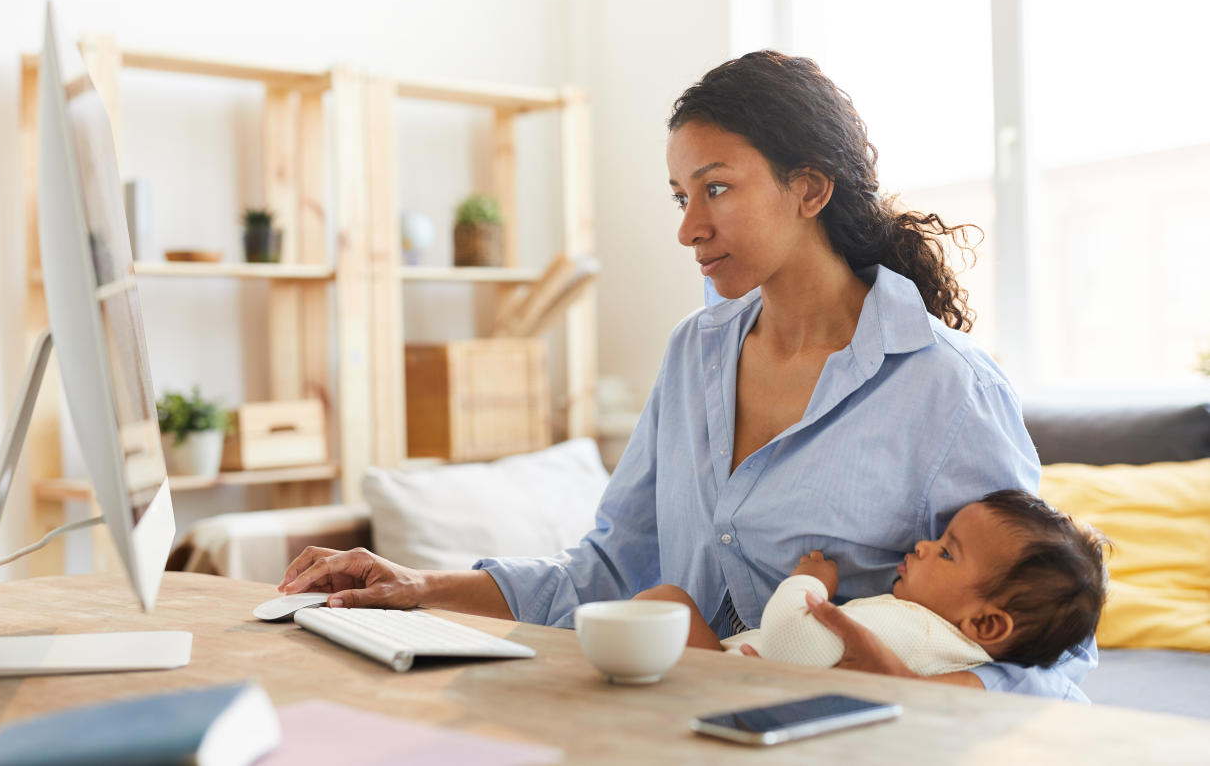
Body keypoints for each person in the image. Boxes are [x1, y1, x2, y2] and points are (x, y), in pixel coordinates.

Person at [279, 50, 1097, 699]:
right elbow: (610, 571)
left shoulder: (944, 388)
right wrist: (418, 587)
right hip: (683, 726)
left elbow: (1050, 645)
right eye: (679, 196)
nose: (690, 229)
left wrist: (927, 692)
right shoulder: (693, 354)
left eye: (716, 189)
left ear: (808, 188)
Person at [636, 490, 1109, 678]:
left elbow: (792, 638)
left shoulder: (919, 632)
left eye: (946, 551)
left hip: (733, 683)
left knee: (664, 603)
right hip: (746, 681)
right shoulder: (939, 643)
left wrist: (807, 583)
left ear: (985, 622)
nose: (923, 545)